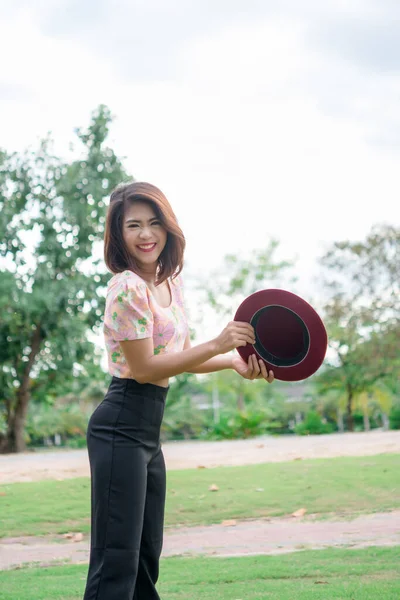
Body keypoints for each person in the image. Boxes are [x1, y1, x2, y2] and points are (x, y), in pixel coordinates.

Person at [83, 181, 274, 600]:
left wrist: (232, 361)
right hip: (119, 426)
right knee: (116, 562)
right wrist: (219, 343)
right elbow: (145, 367)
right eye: (133, 225)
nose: (146, 234)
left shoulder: (171, 284)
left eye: (154, 223)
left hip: (148, 433)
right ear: (118, 234)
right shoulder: (126, 287)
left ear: (169, 229)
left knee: (145, 558)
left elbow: (182, 355)